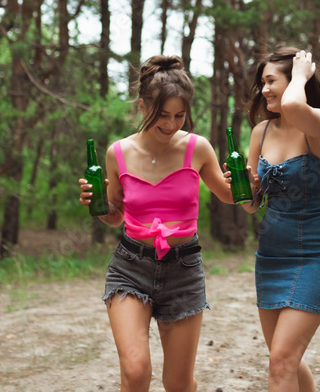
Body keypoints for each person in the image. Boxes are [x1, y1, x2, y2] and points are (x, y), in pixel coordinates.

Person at [78, 55, 236, 392]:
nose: (171, 124)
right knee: (136, 372)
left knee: (177, 384)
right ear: (142, 106)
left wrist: (248, 186)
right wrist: (98, 205)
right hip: (130, 266)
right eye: (162, 115)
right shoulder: (117, 153)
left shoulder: (197, 148)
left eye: (179, 115)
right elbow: (115, 215)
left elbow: (230, 195)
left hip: (183, 268)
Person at [231, 47, 320, 392]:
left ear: (298, 81)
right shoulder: (259, 133)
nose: (263, 90)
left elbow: (296, 107)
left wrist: (301, 73)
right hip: (271, 257)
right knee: (285, 361)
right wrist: (242, 189)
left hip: (316, 256)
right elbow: (252, 205)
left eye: (270, 81)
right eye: (261, 83)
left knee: (281, 360)